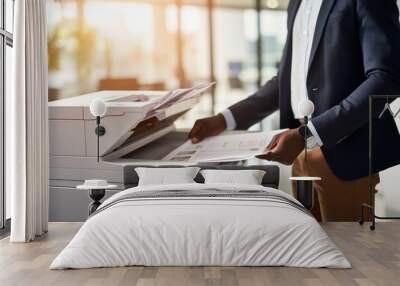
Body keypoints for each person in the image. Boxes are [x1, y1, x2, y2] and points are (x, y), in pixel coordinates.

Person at [188, 0, 400, 221]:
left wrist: (309, 135)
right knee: (309, 251)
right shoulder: (297, 3)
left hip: (347, 154)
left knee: (349, 252)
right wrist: (225, 119)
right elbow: (286, 81)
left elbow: (386, 79)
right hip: (300, 153)